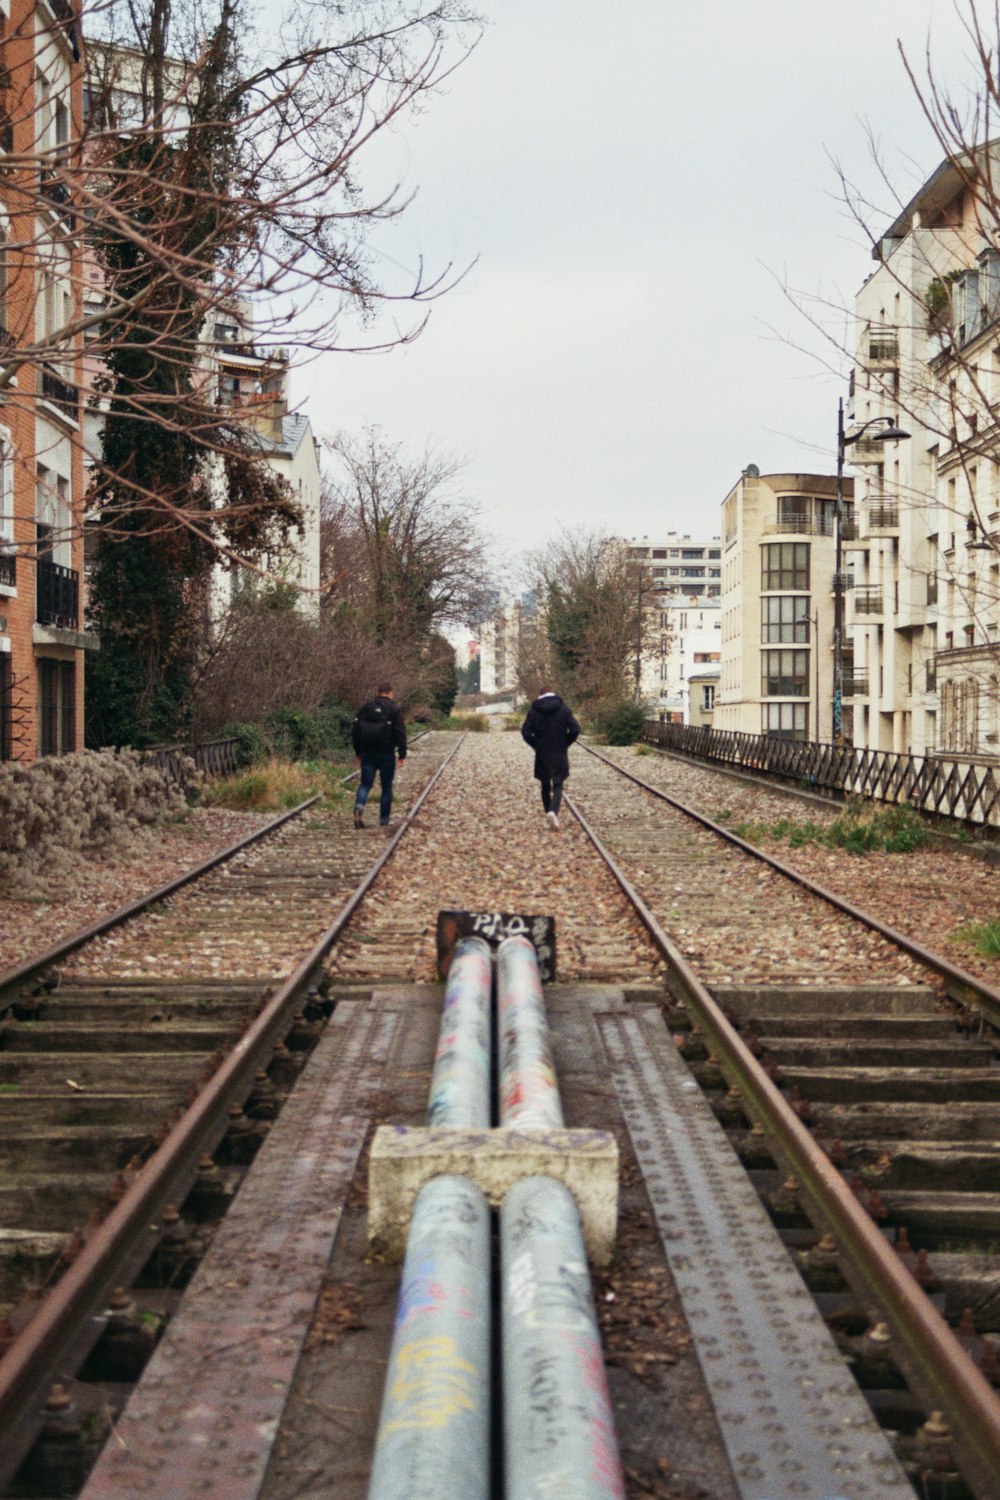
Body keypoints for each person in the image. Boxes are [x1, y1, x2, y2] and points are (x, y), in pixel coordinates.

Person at [520, 688, 580, 831]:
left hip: (542, 751)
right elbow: (575, 728)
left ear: (540, 695)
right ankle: (553, 811)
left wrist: (535, 744)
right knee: (558, 784)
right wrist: (566, 742)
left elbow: (526, 732)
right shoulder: (564, 709)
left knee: (545, 784)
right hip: (559, 751)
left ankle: (548, 812)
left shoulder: (534, 711)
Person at [352, 683, 407, 828]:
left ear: (378, 692)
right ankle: (384, 819)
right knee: (386, 787)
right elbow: (400, 732)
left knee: (365, 784)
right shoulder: (394, 709)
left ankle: (359, 805)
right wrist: (402, 754)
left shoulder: (366, 707)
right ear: (390, 693)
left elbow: (356, 731)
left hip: (367, 753)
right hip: (386, 753)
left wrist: (358, 752)